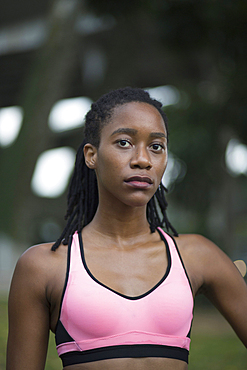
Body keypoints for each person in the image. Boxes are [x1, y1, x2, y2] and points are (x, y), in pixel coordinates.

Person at [7, 87, 247, 370]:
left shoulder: (197, 256)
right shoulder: (44, 266)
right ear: (91, 155)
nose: (143, 160)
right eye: (124, 143)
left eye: (156, 146)